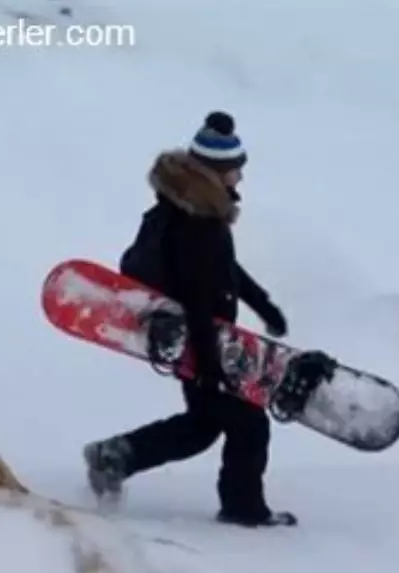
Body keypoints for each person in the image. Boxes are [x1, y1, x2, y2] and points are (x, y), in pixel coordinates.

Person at [82, 110, 297, 528]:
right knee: (248, 424)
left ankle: (115, 456)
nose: (241, 177)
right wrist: (211, 366)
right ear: (217, 173)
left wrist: (262, 303)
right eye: (236, 169)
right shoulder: (198, 225)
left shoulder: (188, 212)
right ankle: (243, 509)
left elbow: (224, 270)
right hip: (200, 338)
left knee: (203, 425)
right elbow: (199, 296)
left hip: (191, 337)